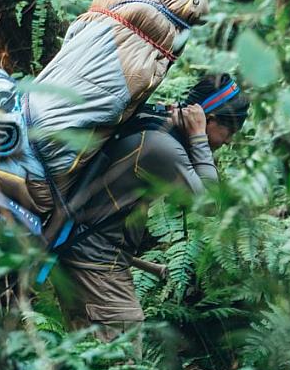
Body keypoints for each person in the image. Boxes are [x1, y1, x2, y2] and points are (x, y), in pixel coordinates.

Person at [52, 73, 250, 344]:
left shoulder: (159, 129)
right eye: (230, 132)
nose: (228, 142)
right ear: (208, 120)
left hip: (90, 256)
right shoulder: (161, 145)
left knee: (93, 362)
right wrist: (199, 140)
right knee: (123, 368)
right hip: (96, 264)